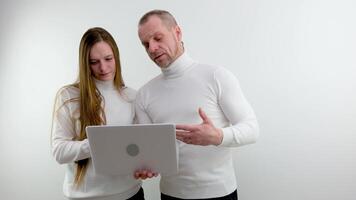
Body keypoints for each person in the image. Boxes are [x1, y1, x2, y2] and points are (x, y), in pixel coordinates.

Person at [134, 10, 259, 200]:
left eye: (158, 38)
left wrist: (218, 136)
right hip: (170, 195)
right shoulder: (144, 94)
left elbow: (252, 129)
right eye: (146, 44)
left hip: (219, 194)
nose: (152, 48)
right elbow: (149, 150)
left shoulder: (216, 76)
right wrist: (146, 166)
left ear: (177, 33)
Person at [51, 27, 144, 200]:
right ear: (85, 63)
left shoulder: (133, 96)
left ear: (116, 56)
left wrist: (145, 164)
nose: (103, 67)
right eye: (94, 62)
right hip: (84, 197)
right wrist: (97, 142)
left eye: (108, 59)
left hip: (130, 194)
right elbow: (59, 151)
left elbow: (140, 148)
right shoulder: (68, 96)